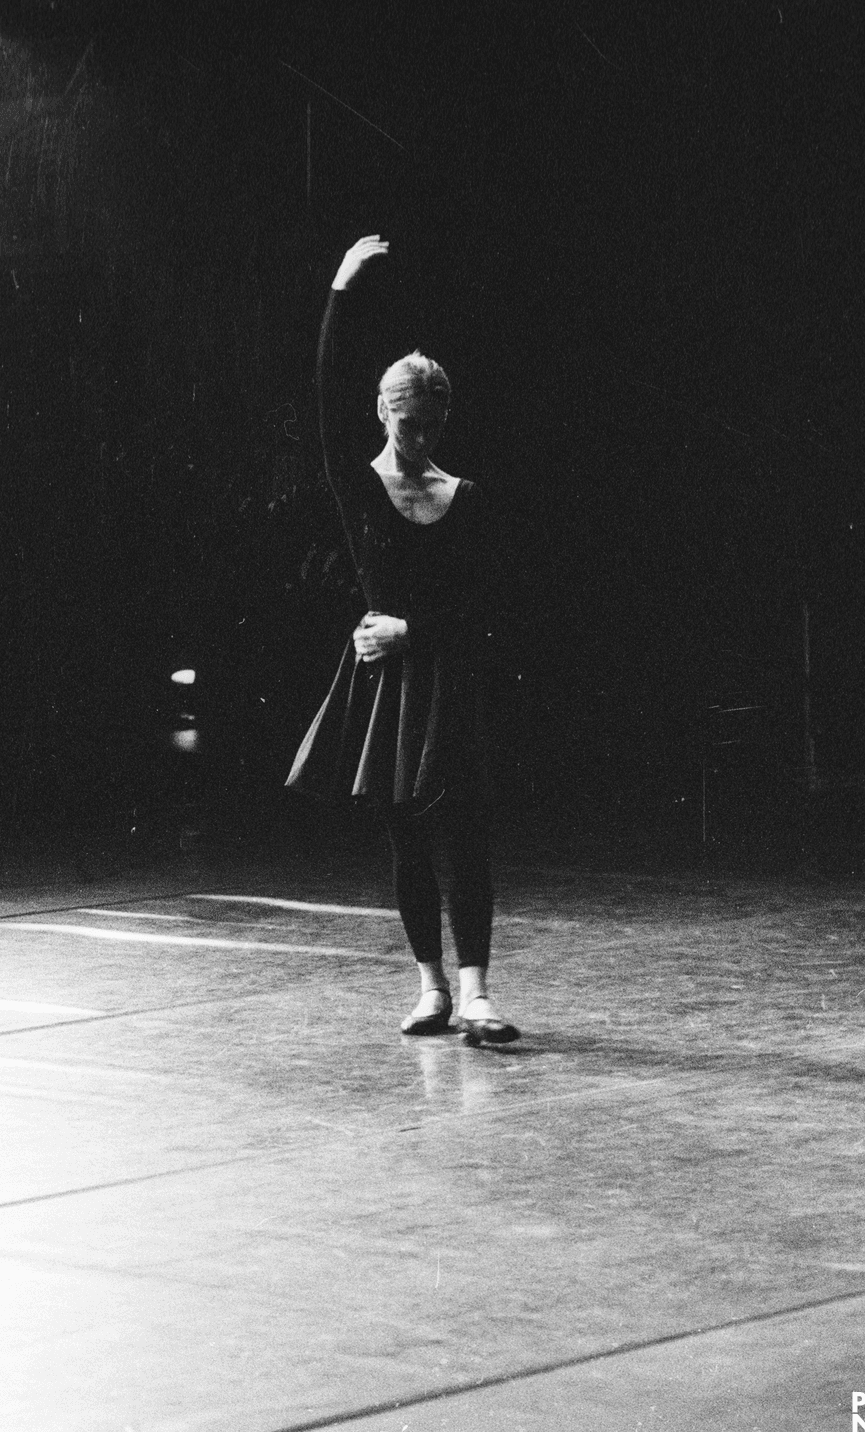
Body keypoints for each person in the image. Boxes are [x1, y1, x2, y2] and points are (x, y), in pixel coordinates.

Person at [286, 235, 518, 1045]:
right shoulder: (361, 486)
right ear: (384, 413)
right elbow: (321, 394)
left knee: (467, 836)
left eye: (430, 423)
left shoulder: (468, 498)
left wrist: (408, 629)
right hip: (389, 691)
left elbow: (491, 608)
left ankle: (477, 992)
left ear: (444, 418)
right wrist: (340, 293)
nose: (417, 436)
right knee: (407, 837)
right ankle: (429, 989)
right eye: (405, 421)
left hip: (445, 675)